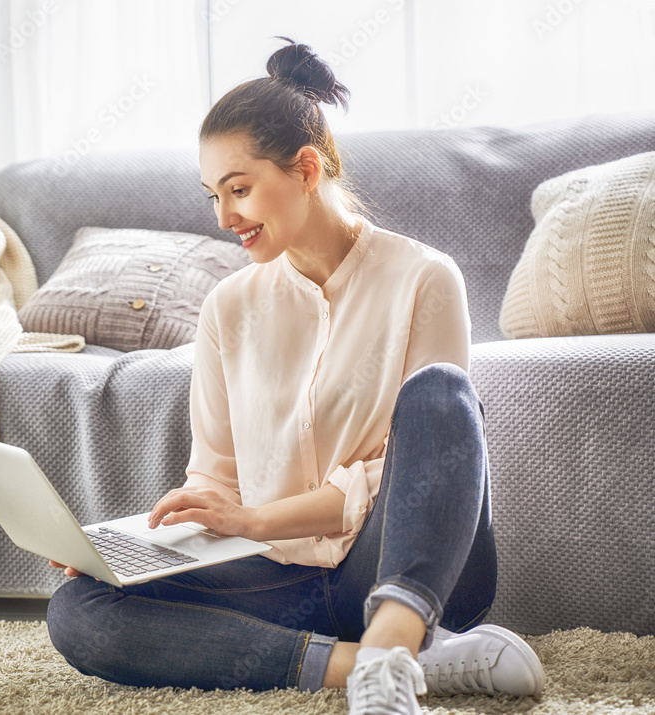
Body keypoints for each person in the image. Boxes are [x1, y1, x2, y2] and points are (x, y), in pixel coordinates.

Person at [45, 36, 544, 714]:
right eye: (213, 196)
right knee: (79, 609)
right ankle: (378, 664)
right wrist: (133, 550)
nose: (224, 218)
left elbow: (406, 473)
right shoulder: (229, 307)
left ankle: (395, 639)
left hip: (404, 567)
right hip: (283, 578)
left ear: (307, 169)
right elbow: (215, 481)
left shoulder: (423, 278)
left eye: (239, 190)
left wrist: (255, 516)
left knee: (444, 395)